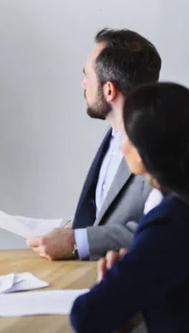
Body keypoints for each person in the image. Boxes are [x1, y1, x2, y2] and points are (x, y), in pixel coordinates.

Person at [70, 82, 189, 332]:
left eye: (124, 133)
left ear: (142, 149)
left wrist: (118, 278)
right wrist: (142, 261)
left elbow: (88, 315)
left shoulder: (173, 221)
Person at [27, 29, 161, 261]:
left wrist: (77, 241)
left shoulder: (162, 145)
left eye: (87, 75)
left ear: (109, 90)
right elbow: (106, 213)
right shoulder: (113, 136)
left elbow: (162, 231)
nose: (82, 83)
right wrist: (75, 230)